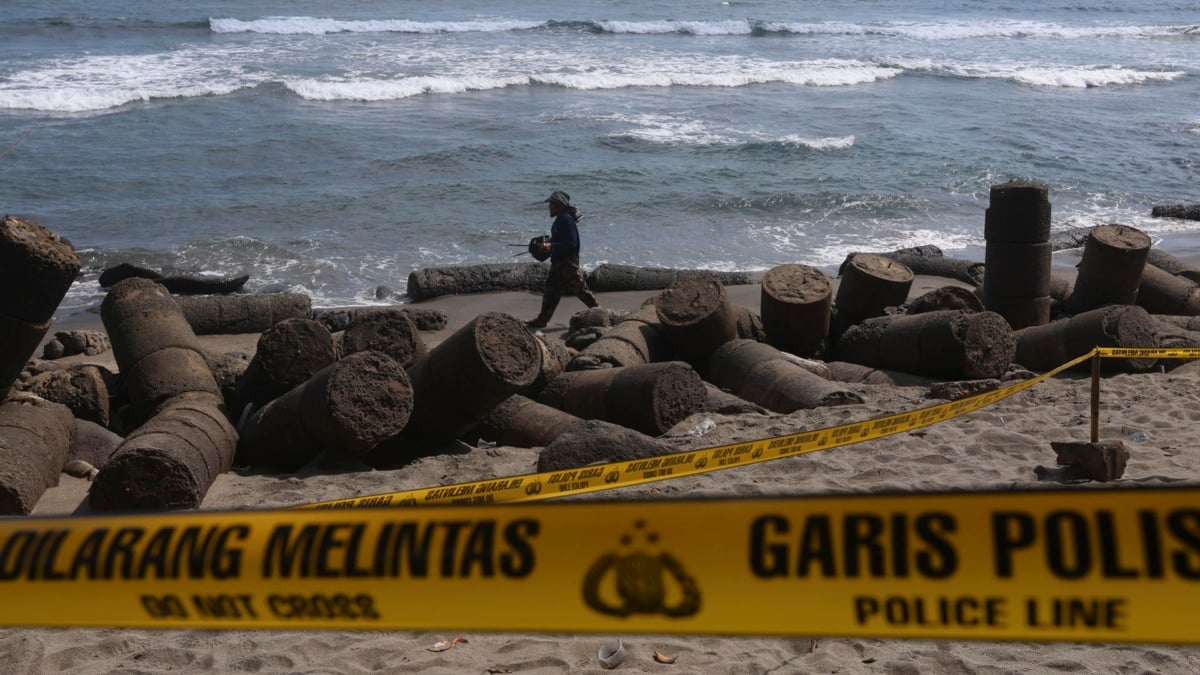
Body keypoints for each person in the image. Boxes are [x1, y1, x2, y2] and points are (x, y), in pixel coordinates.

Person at [526, 190, 599, 328]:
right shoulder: (560, 219)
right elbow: (560, 240)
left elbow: (571, 244)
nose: (549, 207)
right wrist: (546, 244)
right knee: (550, 292)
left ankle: (601, 313)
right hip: (558, 264)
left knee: (582, 292)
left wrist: (551, 245)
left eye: (551, 204)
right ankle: (542, 320)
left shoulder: (566, 220)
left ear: (559, 205)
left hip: (568, 264)